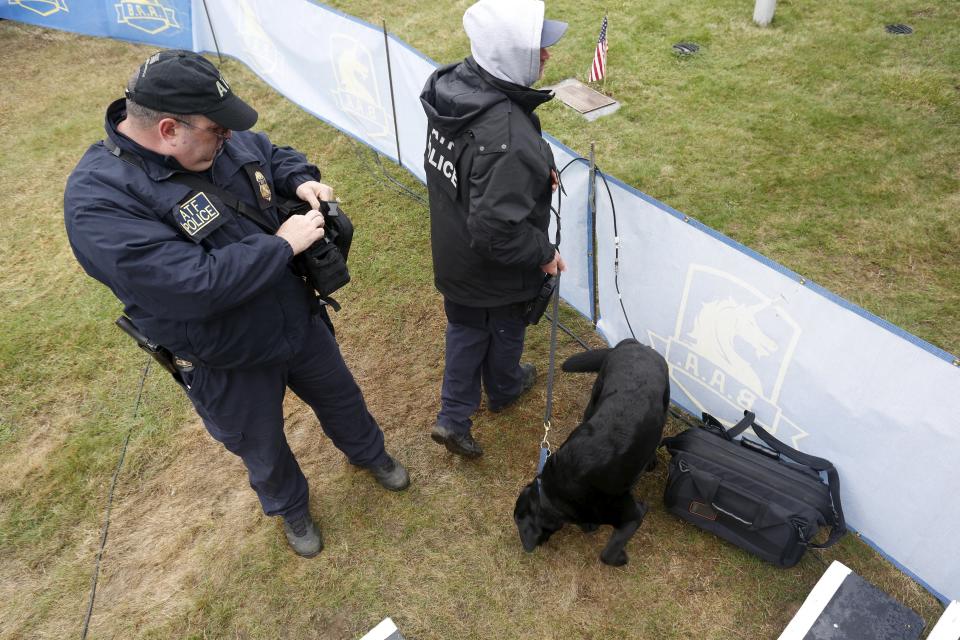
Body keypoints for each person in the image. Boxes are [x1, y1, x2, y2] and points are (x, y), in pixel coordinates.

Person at [64, 50, 409, 559]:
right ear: (167, 129)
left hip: (295, 317)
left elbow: (268, 154)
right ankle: (291, 509)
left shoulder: (212, 138)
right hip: (223, 355)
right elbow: (190, 286)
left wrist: (299, 178)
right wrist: (282, 245)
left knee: (341, 397)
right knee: (260, 444)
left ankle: (371, 455)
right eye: (216, 131)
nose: (227, 138)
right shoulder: (99, 202)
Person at [420, 0, 568, 459]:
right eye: (536, 48)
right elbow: (494, 232)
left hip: (453, 253)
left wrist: (535, 168)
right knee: (505, 328)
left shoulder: (453, 87)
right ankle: (504, 387)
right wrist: (543, 253)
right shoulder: (507, 136)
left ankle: (453, 417)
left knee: (465, 329)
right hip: (492, 270)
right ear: (508, 54)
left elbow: (472, 175)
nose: (547, 55)